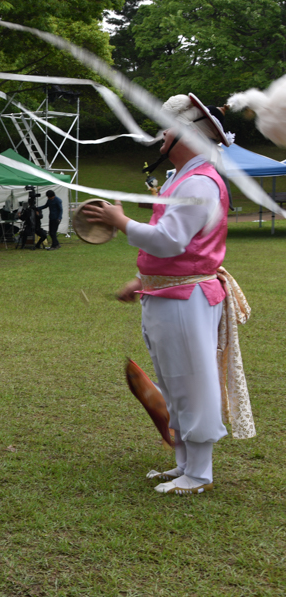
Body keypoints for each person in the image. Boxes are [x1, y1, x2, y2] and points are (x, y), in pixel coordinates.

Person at [84, 93, 255, 495]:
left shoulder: (198, 181)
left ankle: (199, 473)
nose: (161, 142)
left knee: (191, 382)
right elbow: (179, 247)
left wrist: (121, 221)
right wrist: (144, 282)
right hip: (173, 295)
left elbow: (169, 241)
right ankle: (185, 465)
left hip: (187, 298)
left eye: (166, 135)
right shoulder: (188, 178)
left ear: (185, 136)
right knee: (176, 381)